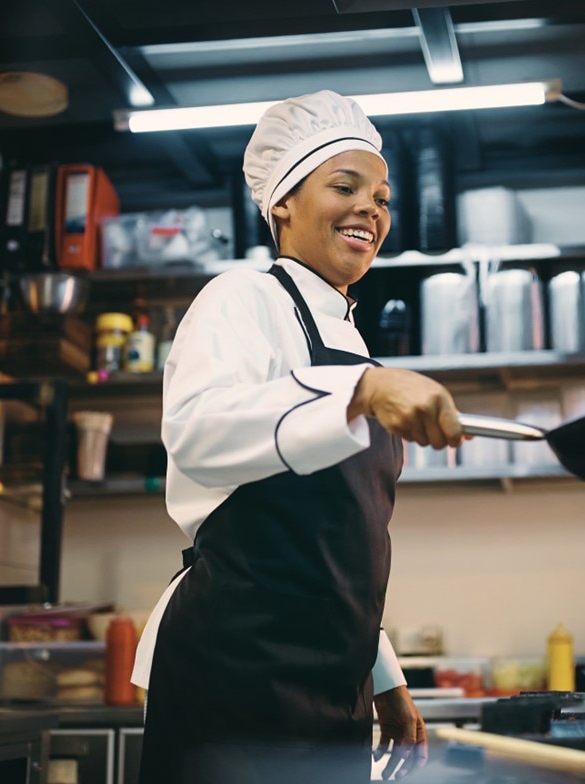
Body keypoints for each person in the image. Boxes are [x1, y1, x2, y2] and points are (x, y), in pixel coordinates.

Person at [133, 90, 467, 783]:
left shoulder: (354, 342)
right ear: (282, 202)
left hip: (332, 683)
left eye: (381, 197)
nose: (370, 210)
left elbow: (335, 553)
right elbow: (197, 432)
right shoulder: (240, 299)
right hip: (236, 668)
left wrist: (384, 679)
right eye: (344, 186)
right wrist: (362, 391)